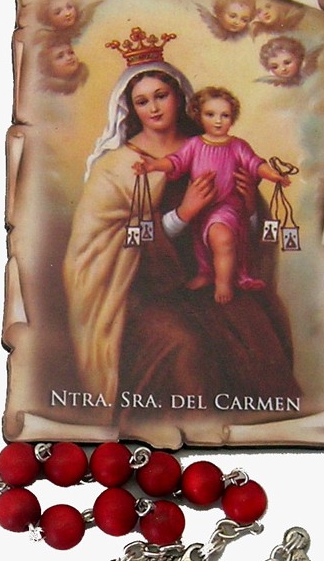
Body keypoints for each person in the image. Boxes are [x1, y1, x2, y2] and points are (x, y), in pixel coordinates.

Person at [63, 47, 300, 416]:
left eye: (161, 96)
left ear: (180, 98)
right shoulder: (118, 167)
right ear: (131, 109)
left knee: (255, 329)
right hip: (148, 294)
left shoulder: (215, 148)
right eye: (142, 101)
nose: (154, 108)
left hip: (215, 281)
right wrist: (183, 213)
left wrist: (249, 204)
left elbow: (252, 232)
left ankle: (259, 429)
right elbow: (104, 249)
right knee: (183, 347)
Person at [132, 86, 292, 304]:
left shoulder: (237, 146)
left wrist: (274, 175)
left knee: (222, 238)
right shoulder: (194, 145)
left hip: (228, 207)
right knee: (202, 247)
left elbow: (255, 164)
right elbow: (175, 162)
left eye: (224, 115)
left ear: (232, 118)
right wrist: (153, 166)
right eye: (210, 114)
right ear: (199, 116)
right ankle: (207, 273)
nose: (218, 121)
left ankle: (223, 283)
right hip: (201, 209)